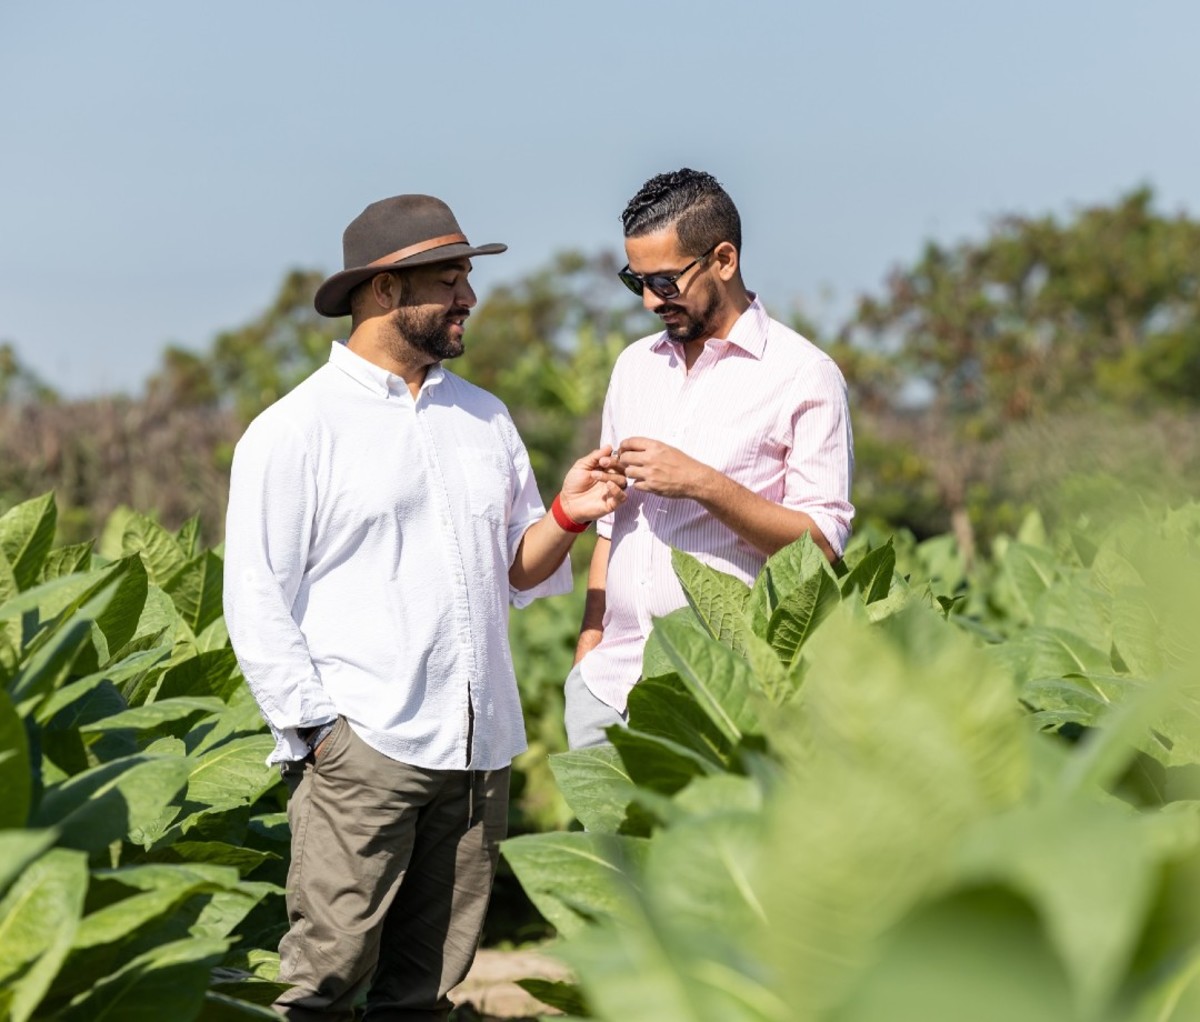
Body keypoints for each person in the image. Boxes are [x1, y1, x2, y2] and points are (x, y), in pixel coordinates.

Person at [222, 193, 626, 1021]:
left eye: (467, 277)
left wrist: (566, 515)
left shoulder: (485, 417)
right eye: (449, 279)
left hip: (479, 758)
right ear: (381, 291)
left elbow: (516, 571)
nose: (468, 297)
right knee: (321, 986)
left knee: (426, 995)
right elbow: (255, 596)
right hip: (364, 751)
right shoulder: (295, 429)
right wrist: (322, 738)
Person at [567, 168, 855, 749]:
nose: (651, 300)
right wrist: (587, 651)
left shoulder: (804, 375)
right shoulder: (634, 367)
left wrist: (702, 483)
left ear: (723, 259)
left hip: (725, 694)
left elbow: (821, 544)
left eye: (666, 282)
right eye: (636, 281)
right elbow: (610, 526)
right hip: (608, 688)